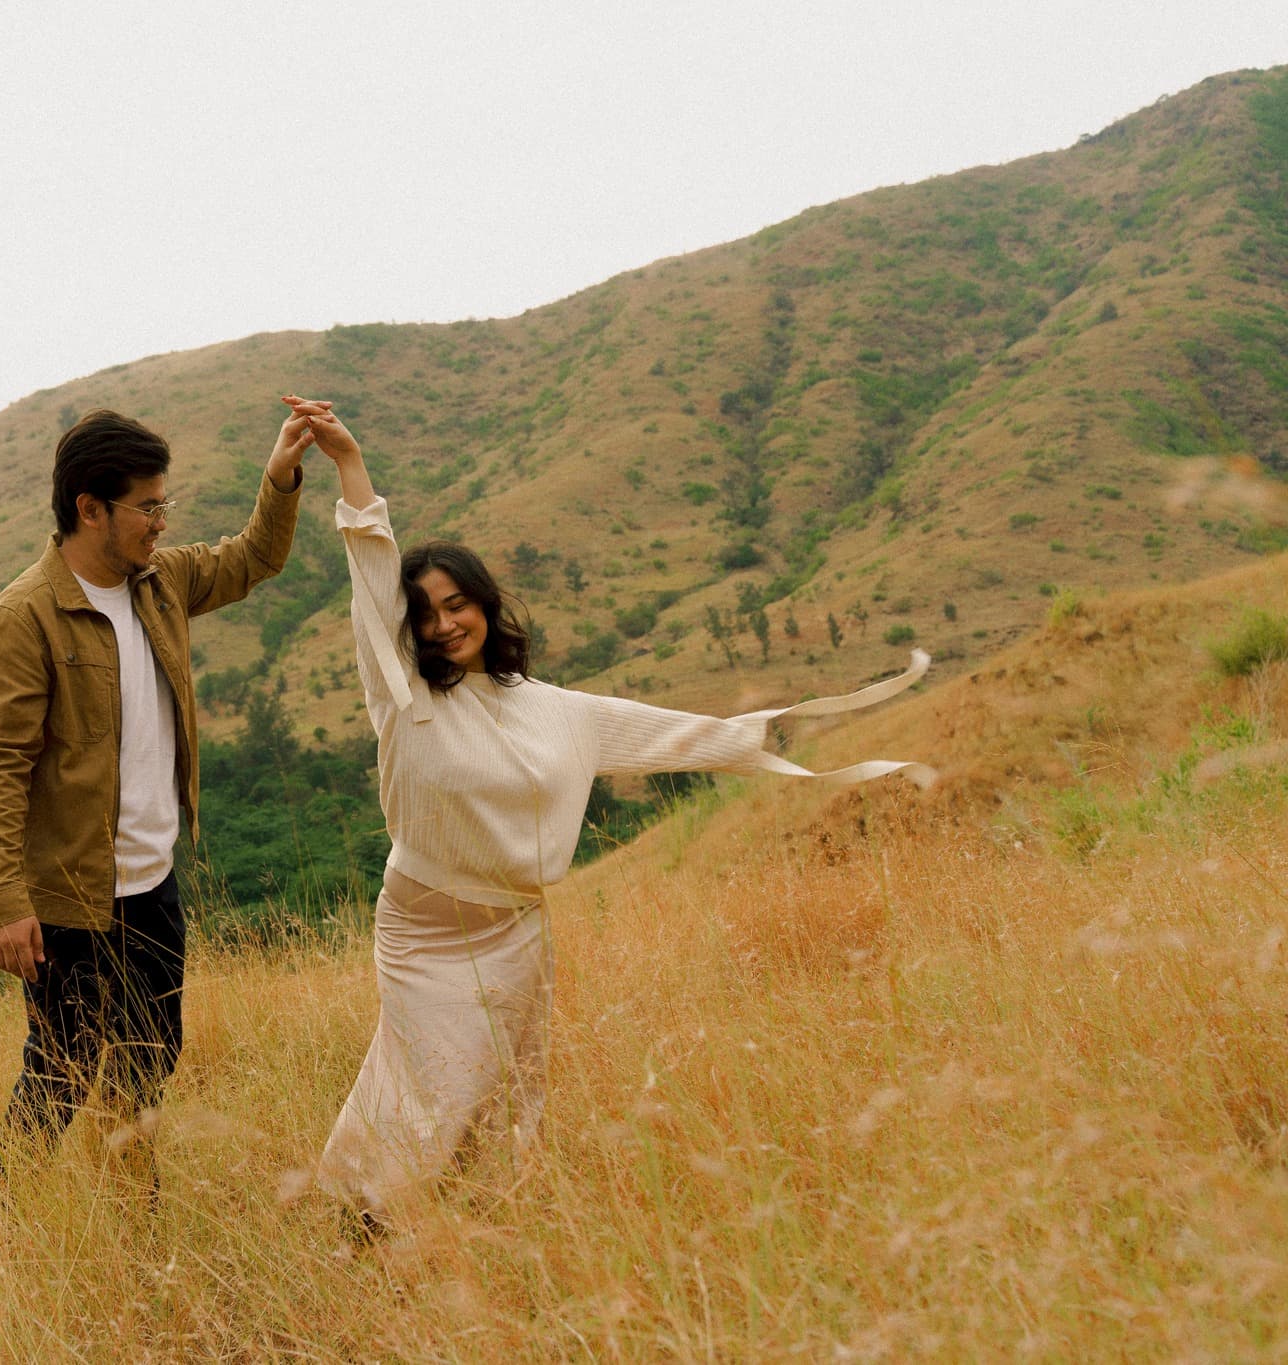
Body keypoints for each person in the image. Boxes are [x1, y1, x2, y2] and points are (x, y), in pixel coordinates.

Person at [283, 394, 935, 1231]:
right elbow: (372, 580)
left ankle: (423, 1218)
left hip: (516, 928)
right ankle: (372, 1225)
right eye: (426, 615)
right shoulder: (401, 696)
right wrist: (350, 466)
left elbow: (674, 733)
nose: (445, 625)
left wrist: (799, 727)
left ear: (485, 604)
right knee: (432, 1075)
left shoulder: (554, 707)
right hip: (423, 929)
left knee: (480, 1085)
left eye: (458, 605)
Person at [0, 405, 317, 1197]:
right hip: (67, 897)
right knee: (60, 1072)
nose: (162, 522)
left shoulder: (161, 584)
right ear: (90, 508)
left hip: (151, 885)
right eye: (147, 507)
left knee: (150, 1058)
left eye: (166, 506)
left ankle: (131, 1216)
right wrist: (2, 902)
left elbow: (256, 556)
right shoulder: (25, 617)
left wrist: (282, 470)